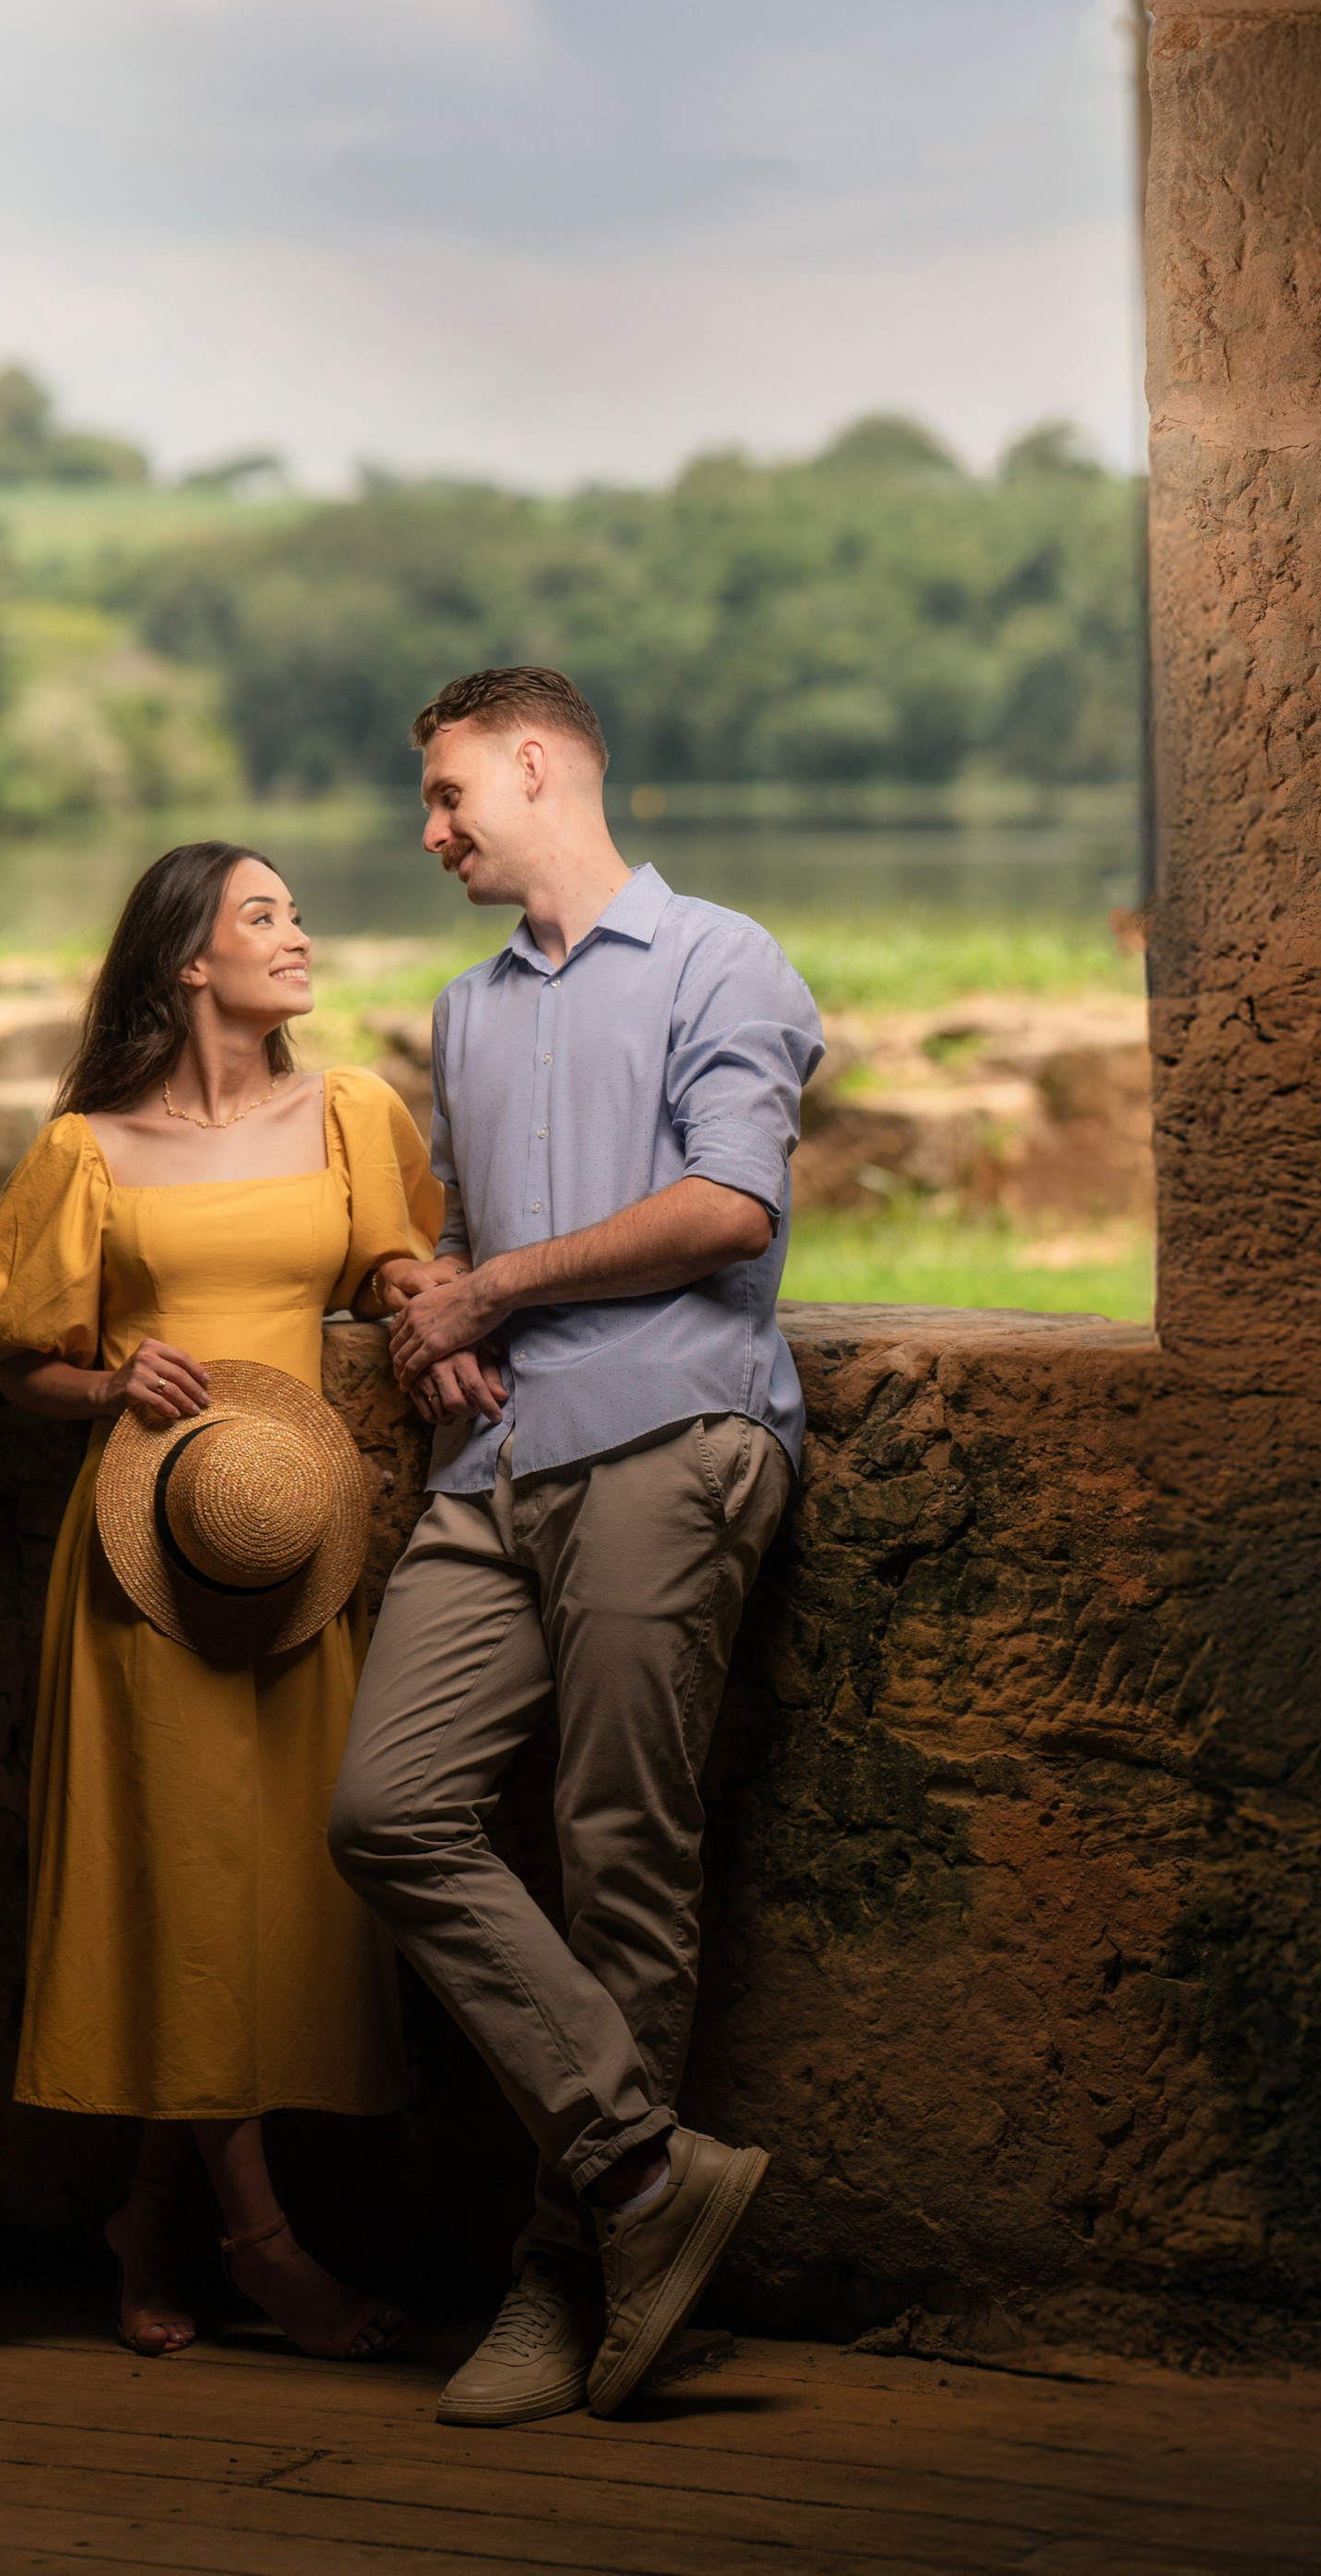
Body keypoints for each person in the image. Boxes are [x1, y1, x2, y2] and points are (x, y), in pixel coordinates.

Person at [329, 667, 823, 2426]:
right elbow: (476, 1239)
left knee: (623, 1856)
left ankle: (558, 2278)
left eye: (453, 793)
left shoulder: (722, 962)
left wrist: (500, 1286)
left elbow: (727, 1209)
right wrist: (439, 1318)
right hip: (494, 1462)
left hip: (670, 1433)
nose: (436, 830)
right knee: (385, 1810)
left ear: (537, 766)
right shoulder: (465, 1014)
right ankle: (640, 2174)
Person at [0, 839, 442, 2362]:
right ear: (188, 961)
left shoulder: (350, 1110)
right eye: (264, 916)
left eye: (298, 910)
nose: (300, 936)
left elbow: (398, 1267)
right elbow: (5, 1348)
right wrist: (110, 1378)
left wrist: (443, 1307)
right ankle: (266, 2244)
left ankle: (146, 2217)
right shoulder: (89, 1148)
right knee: (176, 1887)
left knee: (260, 1891)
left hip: (289, 1546)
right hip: (149, 1558)